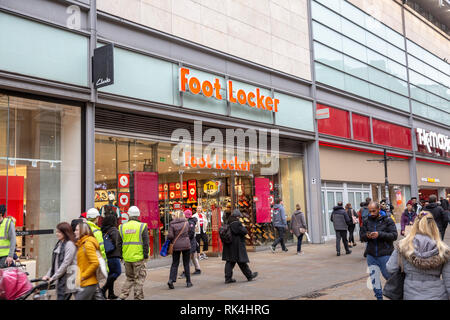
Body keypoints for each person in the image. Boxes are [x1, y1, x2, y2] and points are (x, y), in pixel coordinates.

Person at [386, 211, 450, 300]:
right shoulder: (444, 250)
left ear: (414, 226)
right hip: (437, 294)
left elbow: (390, 268)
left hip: (411, 293)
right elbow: (448, 279)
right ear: (434, 227)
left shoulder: (403, 246)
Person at [360, 201, 398, 300]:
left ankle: (396, 296)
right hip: (371, 255)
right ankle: (379, 297)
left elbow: (394, 236)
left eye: (374, 211)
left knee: (389, 277)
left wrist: (379, 234)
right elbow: (361, 237)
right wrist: (367, 236)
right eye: (370, 211)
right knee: (374, 279)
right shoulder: (366, 221)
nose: (371, 213)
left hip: (385, 254)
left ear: (379, 210)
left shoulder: (388, 220)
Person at [118, 206, 149, 300]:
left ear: (128, 215)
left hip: (127, 258)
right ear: (138, 215)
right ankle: (138, 298)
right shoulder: (142, 226)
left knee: (130, 278)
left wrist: (121, 256)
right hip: (139, 258)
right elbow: (146, 243)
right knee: (139, 279)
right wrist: (145, 255)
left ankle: (122, 296)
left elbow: (119, 243)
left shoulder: (122, 227)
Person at [42, 222, 77, 300]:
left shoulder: (70, 245)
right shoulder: (59, 244)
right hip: (61, 279)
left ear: (65, 232)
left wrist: (53, 277)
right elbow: (55, 263)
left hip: (69, 280)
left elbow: (65, 263)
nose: (57, 234)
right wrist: (48, 275)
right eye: (57, 231)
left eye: (59, 232)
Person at [222, 209, 258, 283]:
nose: (240, 218)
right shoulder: (236, 223)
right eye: (239, 217)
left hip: (229, 245)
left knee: (230, 262)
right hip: (236, 245)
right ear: (237, 216)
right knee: (241, 261)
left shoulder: (228, 221)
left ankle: (228, 278)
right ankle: (249, 275)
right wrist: (243, 227)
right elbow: (244, 231)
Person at [74, 222, 101, 300]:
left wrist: (83, 276)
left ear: (83, 231)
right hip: (86, 282)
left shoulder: (87, 244)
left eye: (77, 230)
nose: (74, 232)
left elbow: (95, 263)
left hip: (88, 282)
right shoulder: (81, 244)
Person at [167, 210, 193, 289]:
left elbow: (170, 236)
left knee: (175, 263)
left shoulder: (172, 224)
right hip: (186, 245)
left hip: (176, 245)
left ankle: (171, 280)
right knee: (186, 263)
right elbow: (190, 233)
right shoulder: (186, 223)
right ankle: (188, 282)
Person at [101, 214, 122, 300]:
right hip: (114, 255)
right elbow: (117, 243)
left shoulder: (104, 230)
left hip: (107, 255)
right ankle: (103, 289)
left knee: (111, 274)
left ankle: (111, 293)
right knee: (117, 272)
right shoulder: (114, 230)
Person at [179, 209, 201, 278]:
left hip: (190, 242)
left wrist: (185, 237)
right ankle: (198, 269)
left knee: (187, 258)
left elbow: (191, 233)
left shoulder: (190, 222)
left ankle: (186, 272)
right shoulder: (192, 221)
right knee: (193, 257)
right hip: (192, 242)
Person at [0, 204, 16, 268]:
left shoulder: (8, 223)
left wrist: (10, 256)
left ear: (0, 214)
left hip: (5, 257)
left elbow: (13, 239)